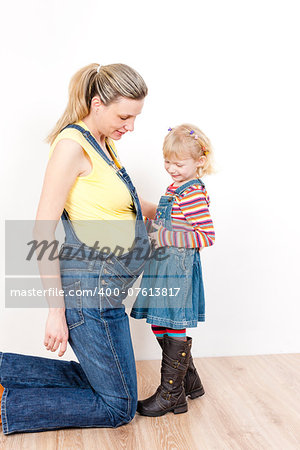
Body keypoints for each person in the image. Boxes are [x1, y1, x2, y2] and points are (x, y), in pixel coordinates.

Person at [0, 63, 157, 435]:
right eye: (124, 116)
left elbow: (123, 205)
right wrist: (56, 311)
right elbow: (40, 230)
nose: (130, 126)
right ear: (97, 103)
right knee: (118, 407)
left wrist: (170, 208)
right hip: (90, 294)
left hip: (107, 294)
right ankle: (9, 404)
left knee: (103, 381)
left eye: (135, 117)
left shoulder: (104, 142)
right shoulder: (72, 146)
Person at [131, 124, 215, 417]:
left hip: (176, 267)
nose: (172, 168)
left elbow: (205, 236)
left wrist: (164, 236)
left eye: (179, 163)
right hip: (162, 263)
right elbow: (171, 219)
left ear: (199, 161)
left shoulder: (193, 192)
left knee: (173, 322)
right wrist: (146, 216)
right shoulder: (174, 188)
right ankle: (187, 382)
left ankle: (170, 394)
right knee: (158, 322)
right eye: (167, 162)